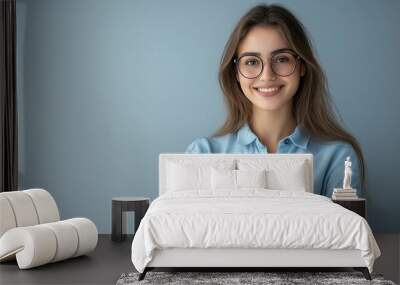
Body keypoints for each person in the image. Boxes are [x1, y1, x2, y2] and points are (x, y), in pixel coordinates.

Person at [184, 4, 365, 198]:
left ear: (302, 66)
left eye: (281, 59)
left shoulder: (338, 158)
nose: (267, 75)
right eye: (251, 62)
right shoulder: (203, 154)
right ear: (236, 72)